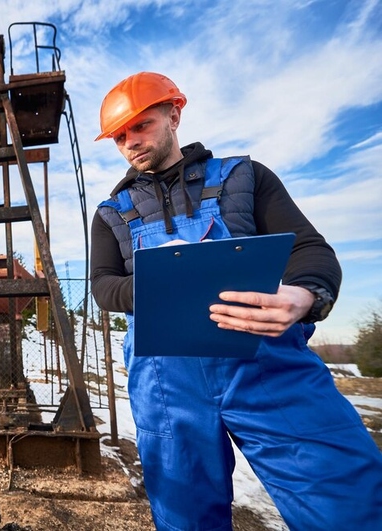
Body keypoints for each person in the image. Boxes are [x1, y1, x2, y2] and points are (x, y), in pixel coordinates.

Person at [90, 71, 382, 530]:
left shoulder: (244, 178)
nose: (130, 142)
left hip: (267, 368)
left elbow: (311, 251)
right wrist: (168, 281)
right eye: (119, 136)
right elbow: (103, 286)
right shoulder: (112, 213)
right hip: (168, 387)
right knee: (185, 519)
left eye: (141, 126)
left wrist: (304, 296)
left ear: (174, 114)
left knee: (345, 503)